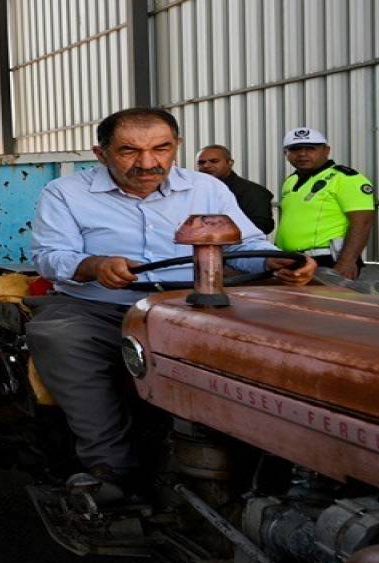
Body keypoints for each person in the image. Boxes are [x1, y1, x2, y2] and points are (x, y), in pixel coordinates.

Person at [27, 108, 316, 504]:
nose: (148, 163)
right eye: (129, 151)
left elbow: (243, 247)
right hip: (98, 307)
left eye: (161, 149)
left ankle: (263, 465)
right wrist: (93, 266)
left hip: (192, 301)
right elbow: (49, 255)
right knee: (58, 337)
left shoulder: (207, 189)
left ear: (176, 146)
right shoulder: (64, 193)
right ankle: (110, 469)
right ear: (101, 153)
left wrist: (275, 260)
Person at [275, 127, 376, 280]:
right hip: (292, 260)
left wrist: (347, 262)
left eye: (310, 149)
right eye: (295, 149)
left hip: (328, 261)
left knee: (327, 303)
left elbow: (363, 222)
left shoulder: (346, 178)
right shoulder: (291, 181)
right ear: (286, 153)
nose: (302, 154)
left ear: (326, 150)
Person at [195, 144, 275, 233]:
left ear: (230, 163)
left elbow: (263, 226)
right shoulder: (194, 191)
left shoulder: (254, 192)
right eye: (201, 162)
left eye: (214, 161)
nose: (206, 165)